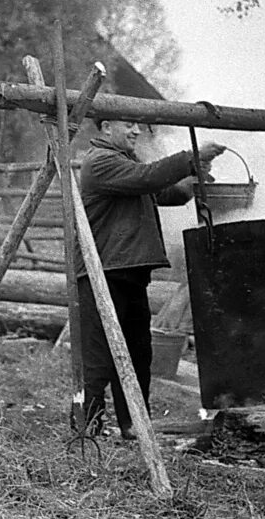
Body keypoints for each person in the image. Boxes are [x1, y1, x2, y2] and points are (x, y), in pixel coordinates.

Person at [76, 118, 225, 439]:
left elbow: (163, 191)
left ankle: (133, 424)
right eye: (128, 124)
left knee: (138, 354)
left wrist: (191, 181)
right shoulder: (100, 163)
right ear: (105, 129)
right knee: (98, 355)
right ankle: (86, 425)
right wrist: (191, 156)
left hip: (128, 271)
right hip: (102, 272)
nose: (136, 131)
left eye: (138, 125)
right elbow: (148, 178)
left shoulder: (126, 164)